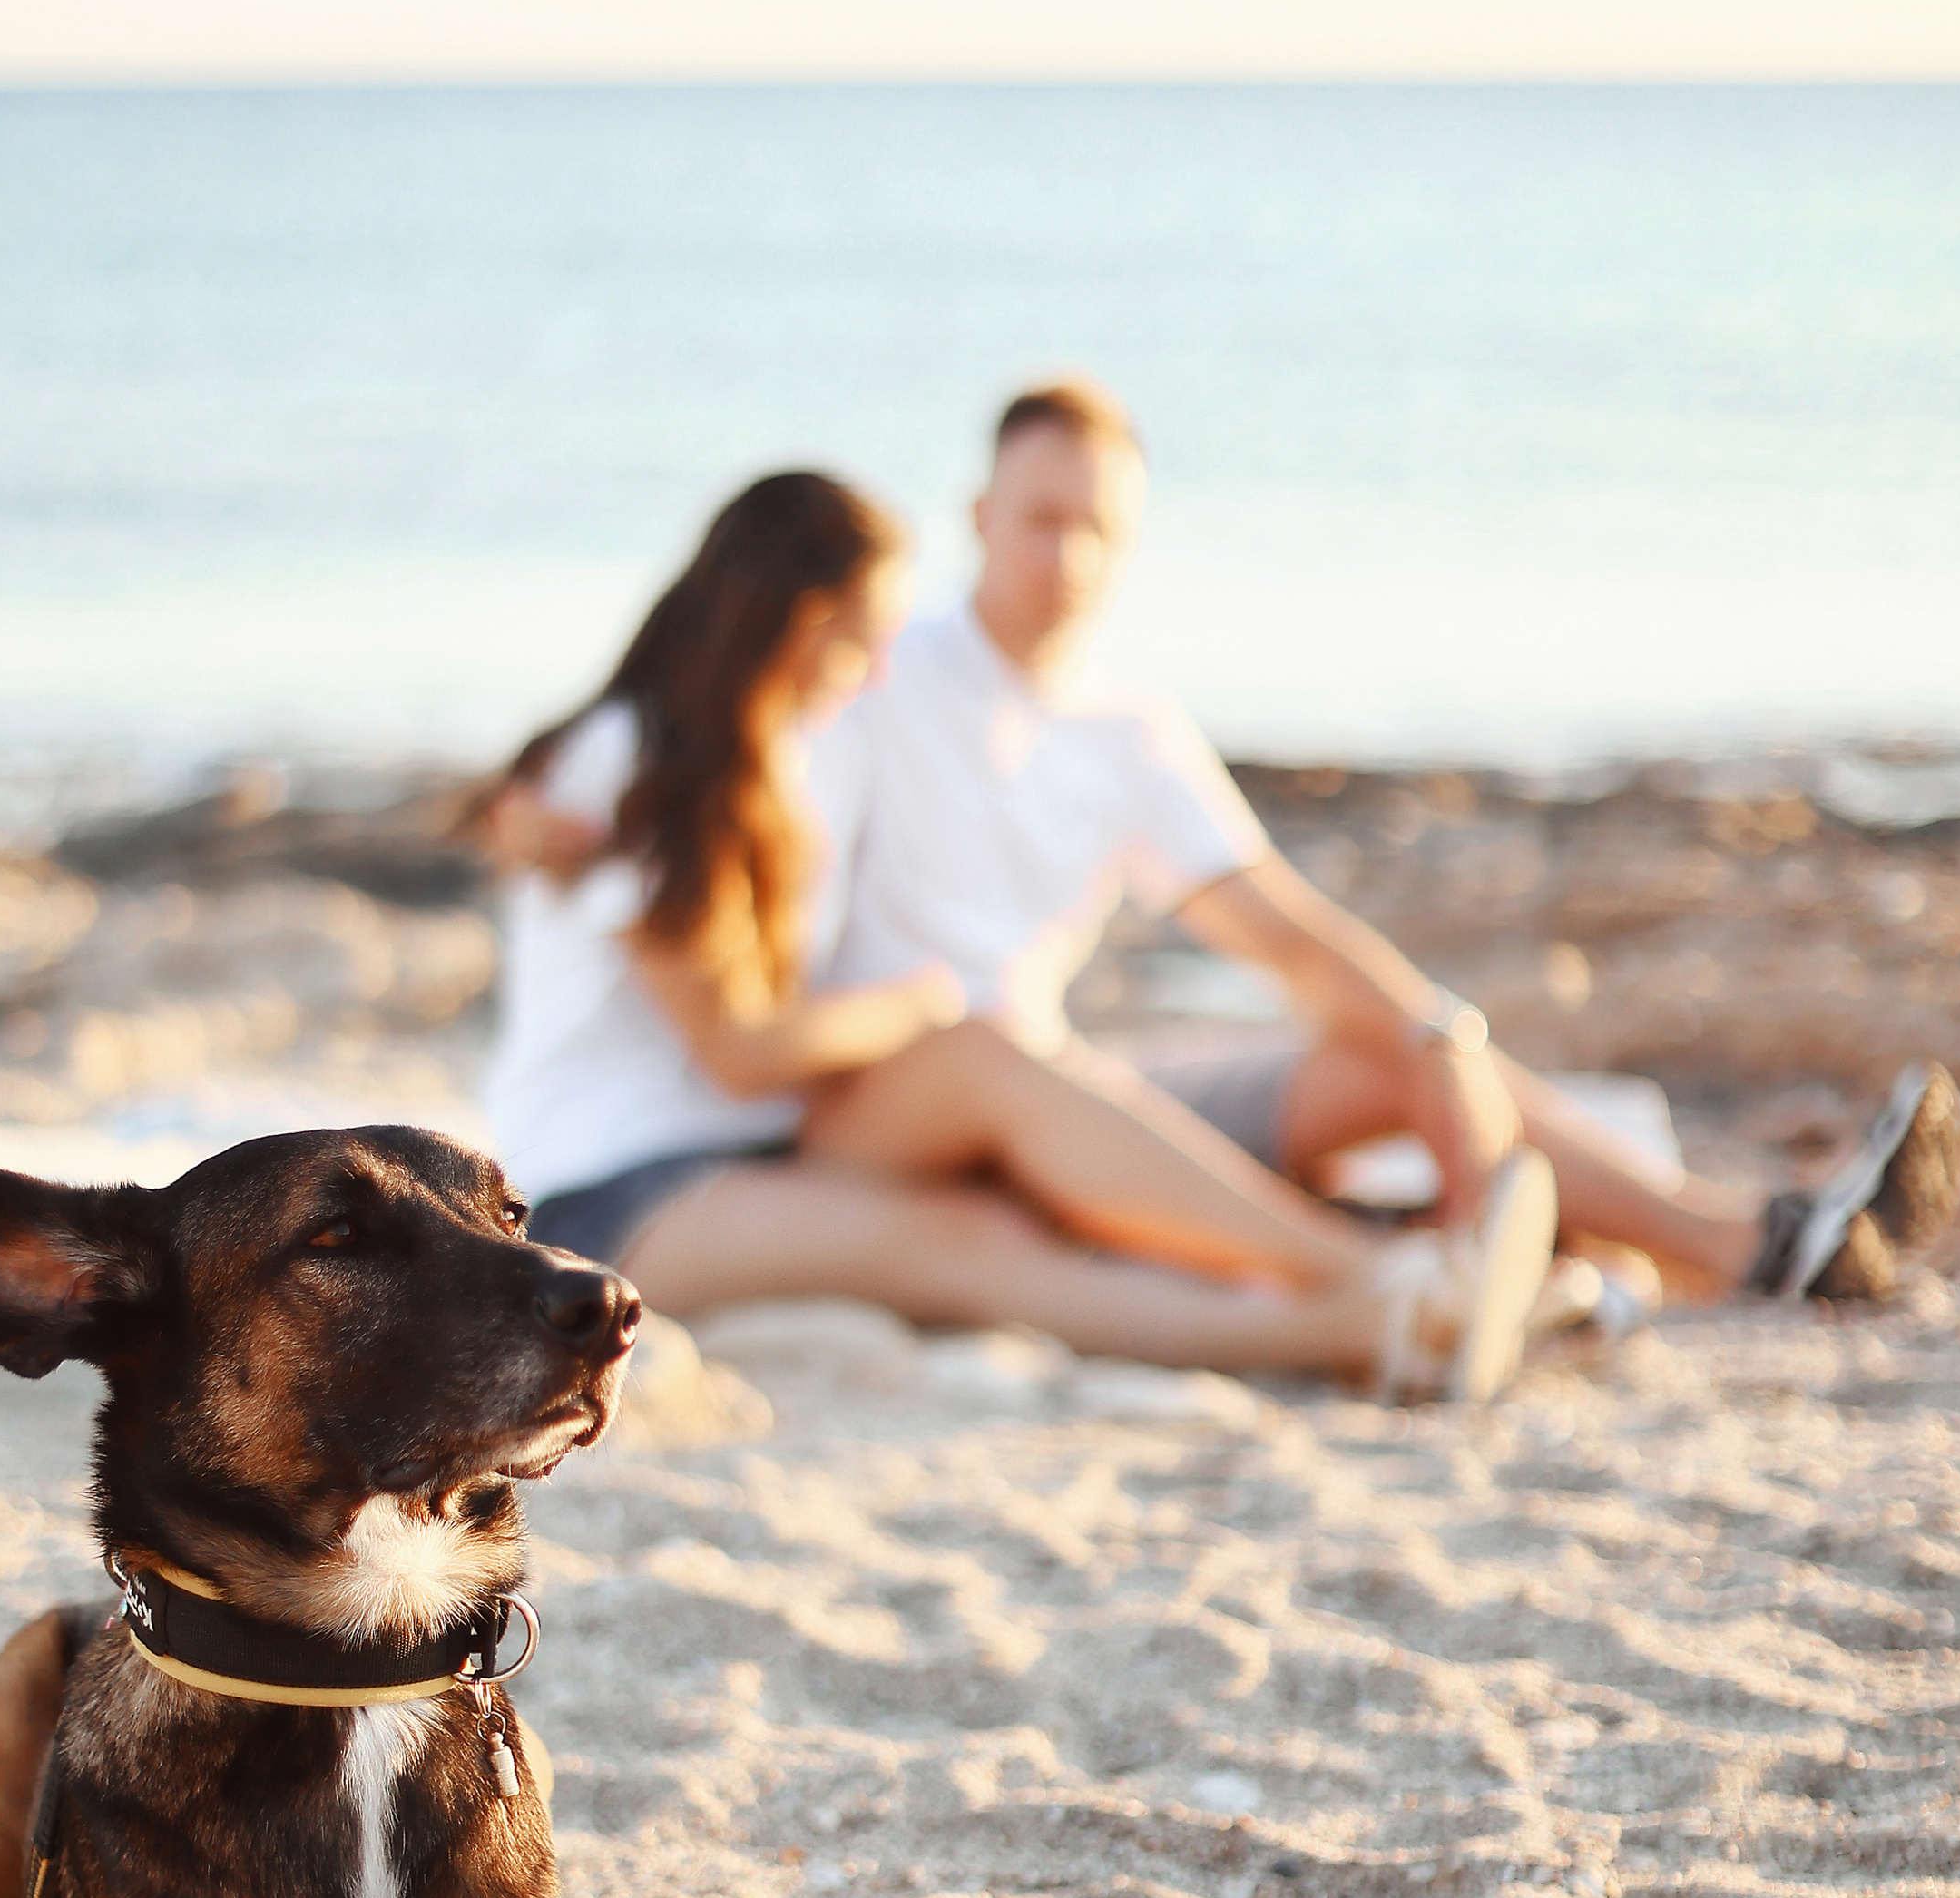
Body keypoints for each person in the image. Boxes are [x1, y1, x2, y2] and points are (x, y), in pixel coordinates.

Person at [809, 378, 1960, 1309]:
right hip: (897, 1094)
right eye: (1040, 521)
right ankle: (1443, 1270)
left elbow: (1283, 930)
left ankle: (1746, 1240)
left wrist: (1440, 1040)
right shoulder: (877, 671)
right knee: (1040, 1067)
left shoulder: (1127, 731)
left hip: (1056, 1082)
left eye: (1097, 529)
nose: (1064, 558)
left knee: (1395, 1058)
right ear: (978, 518)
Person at [475, 467, 1562, 1397]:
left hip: (766, 1140)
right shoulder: (625, 759)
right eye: (865, 637)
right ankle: (1373, 1305)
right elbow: (737, 1049)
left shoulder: (791, 751)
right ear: (801, 625)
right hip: (616, 1190)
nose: (884, 668)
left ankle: (1392, 1281)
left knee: (993, 1068)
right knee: (972, 1242)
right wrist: (915, 1002)